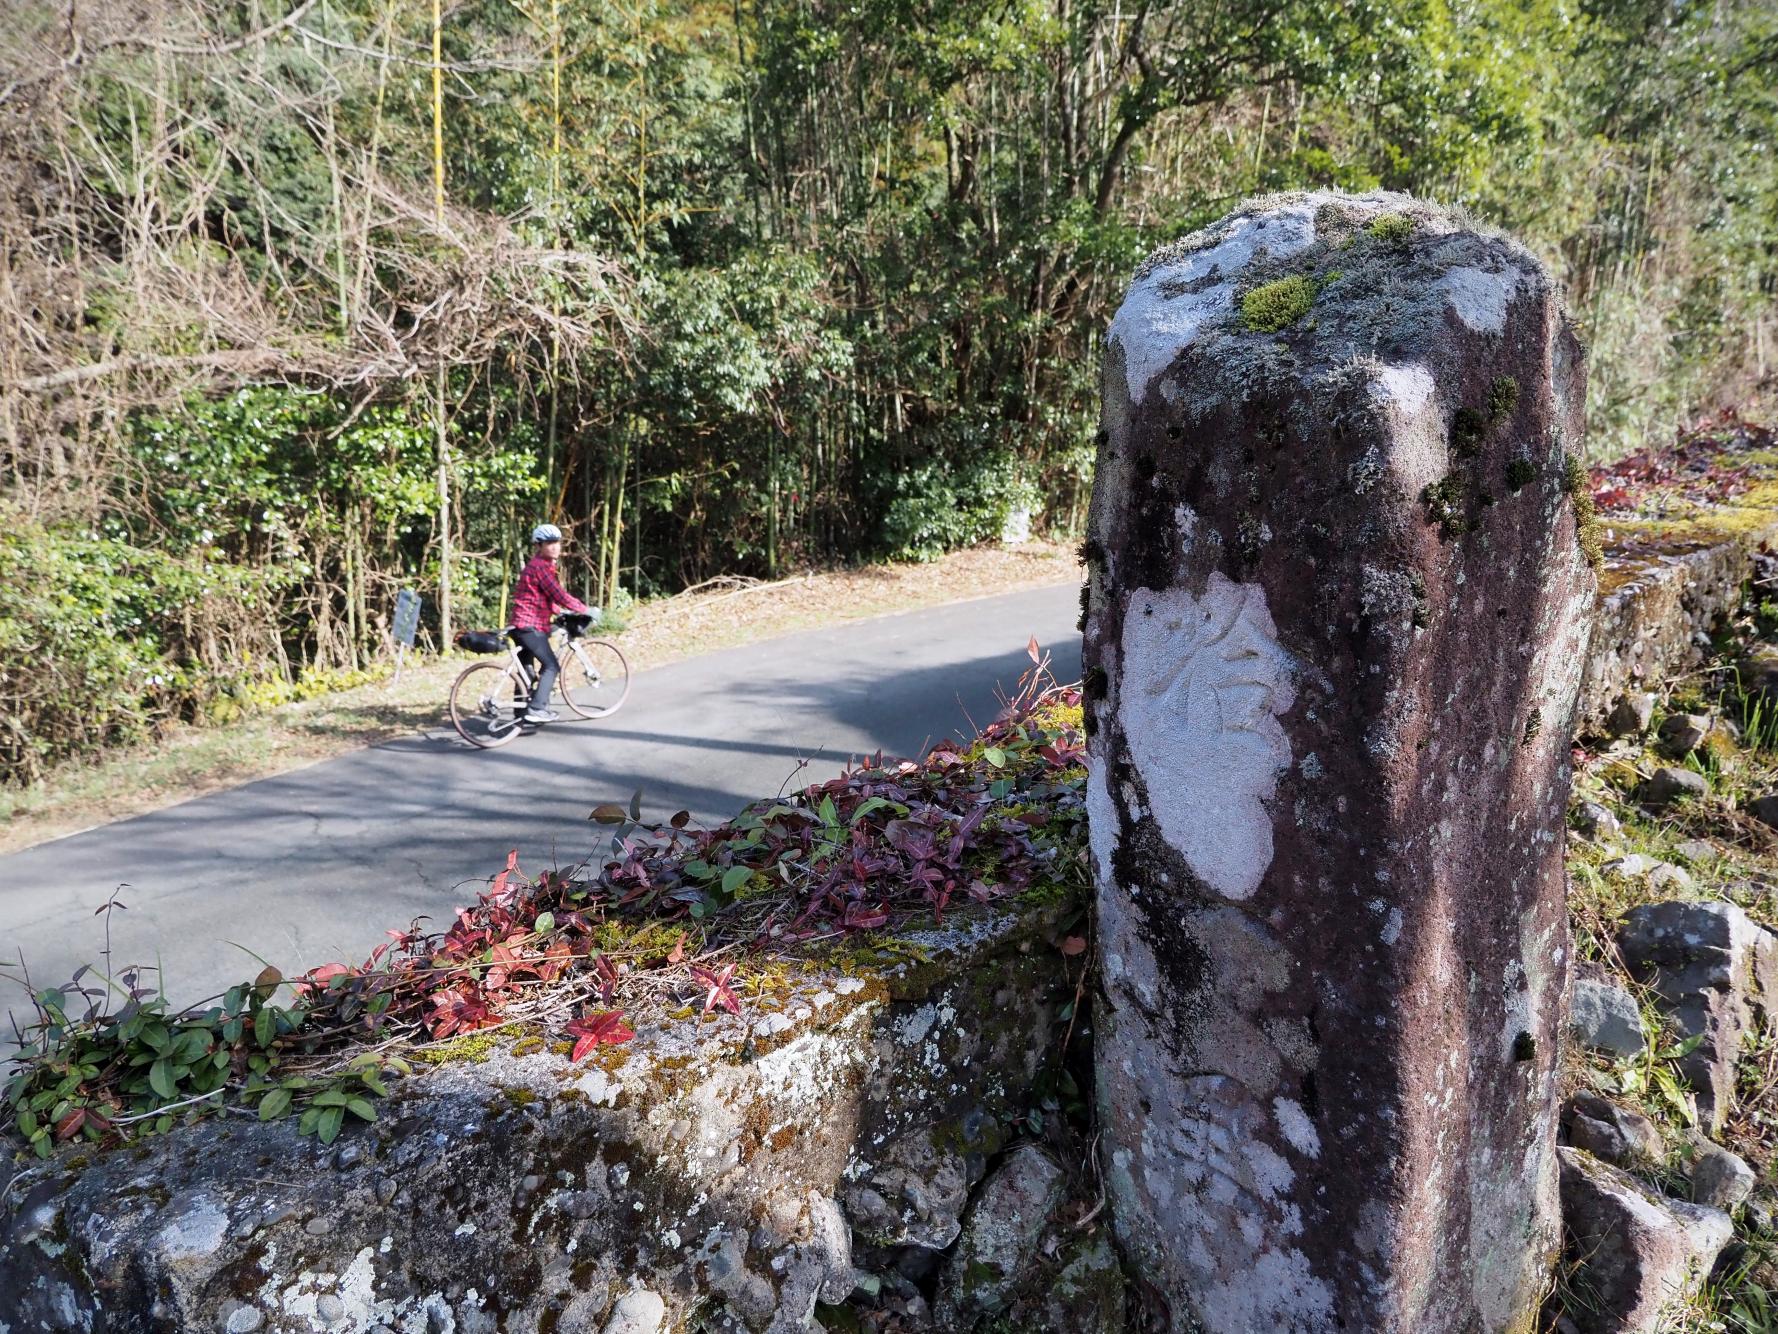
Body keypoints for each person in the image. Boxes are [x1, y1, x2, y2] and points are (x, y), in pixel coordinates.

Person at [509, 523, 591, 723]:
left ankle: (522, 713)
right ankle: (537, 709)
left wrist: (559, 611)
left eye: (557, 542)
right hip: (529, 626)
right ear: (538, 546)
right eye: (549, 543)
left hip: (521, 623)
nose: (555, 547)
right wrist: (584, 609)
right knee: (552, 666)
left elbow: (540, 598)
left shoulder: (536, 566)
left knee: (526, 671)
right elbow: (558, 594)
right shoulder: (541, 568)